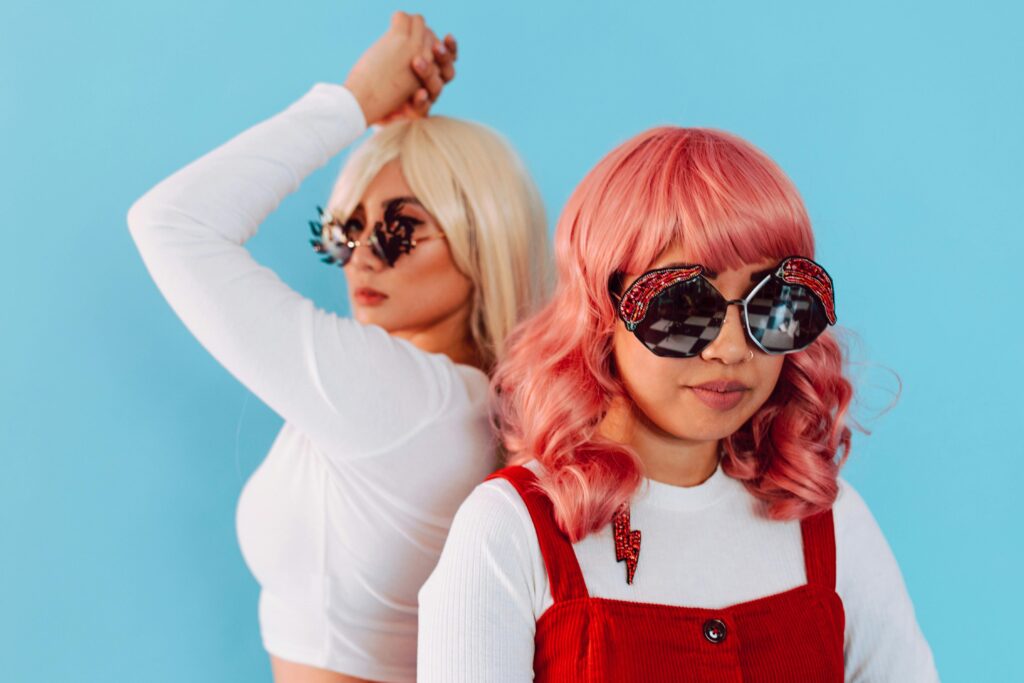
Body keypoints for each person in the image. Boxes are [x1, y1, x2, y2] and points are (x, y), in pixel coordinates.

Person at [418, 126, 939, 681]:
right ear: (600, 309)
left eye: (772, 305)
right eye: (685, 306)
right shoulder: (510, 528)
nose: (732, 349)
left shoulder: (828, 522)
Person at [127, 12, 549, 683]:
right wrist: (396, 145)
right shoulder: (474, 405)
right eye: (346, 233)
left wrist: (352, 101)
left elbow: (170, 221)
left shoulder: (405, 398)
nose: (363, 260)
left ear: (485, 239)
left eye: (399, 229)